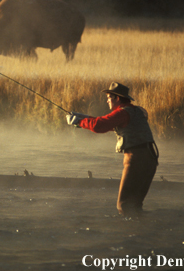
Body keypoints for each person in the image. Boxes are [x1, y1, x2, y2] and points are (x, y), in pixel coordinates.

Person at [66, 82, 159, 216]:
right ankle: (143, 228)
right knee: (135, 204)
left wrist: (78, 121)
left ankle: (131, 232)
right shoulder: (135, 111)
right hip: (150, 159)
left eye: (109, 97)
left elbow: (99, 125)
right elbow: (106, 123)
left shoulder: (123, 113)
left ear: (118, 98)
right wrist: (83, 118)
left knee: (124, 205)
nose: (107, 99)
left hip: (136, 159)